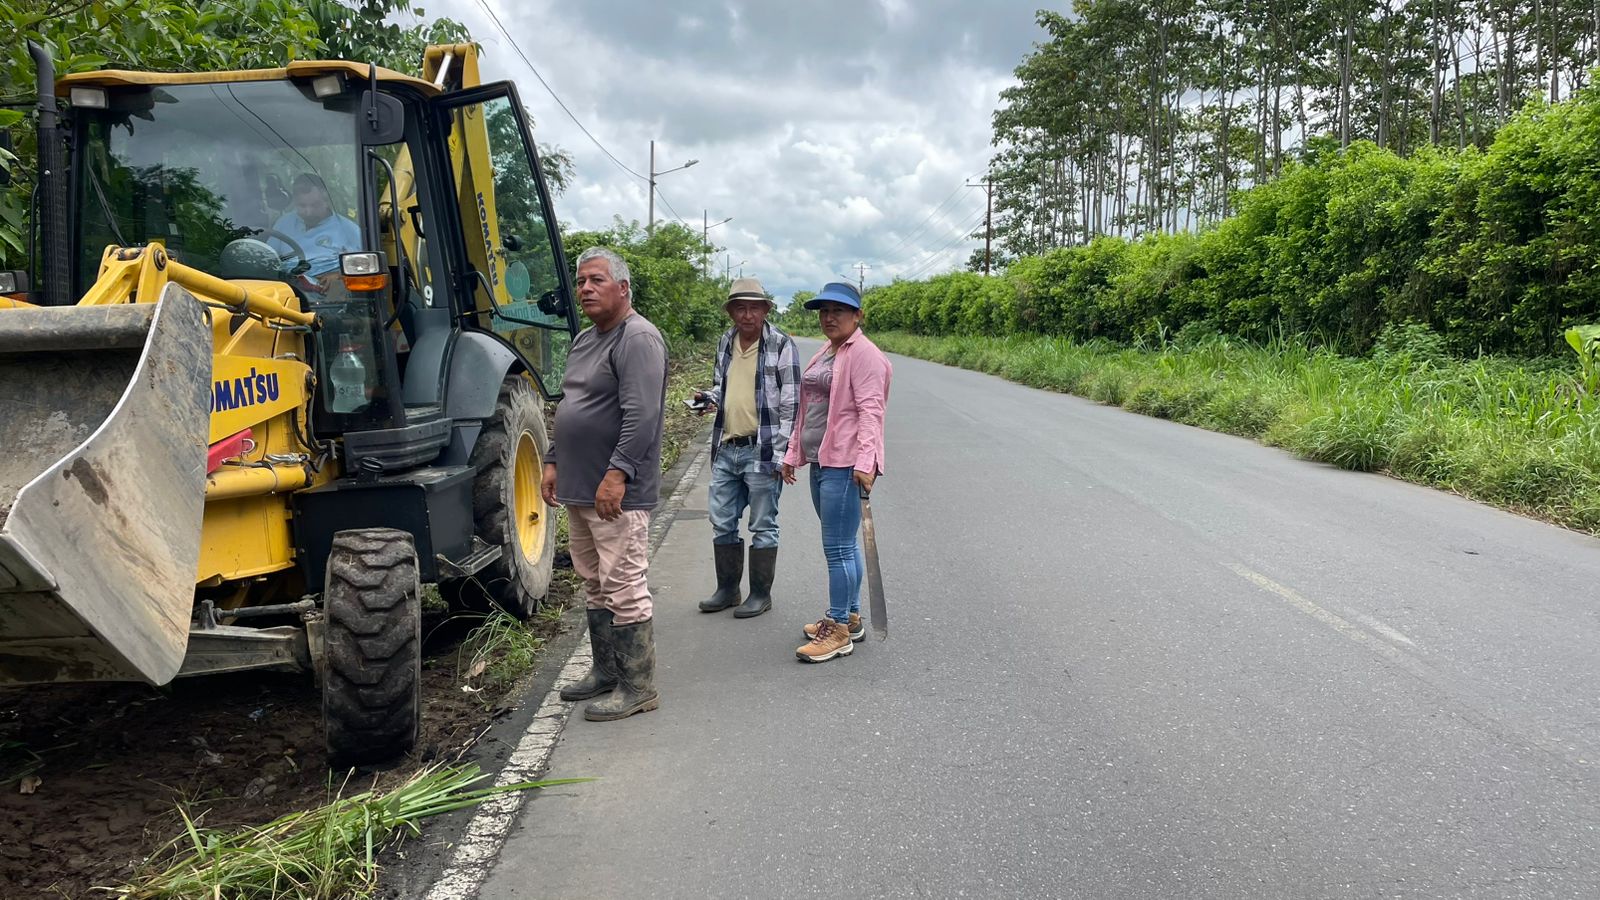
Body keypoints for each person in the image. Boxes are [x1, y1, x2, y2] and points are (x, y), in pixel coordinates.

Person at [542, 247, 669, 720]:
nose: (585, 289)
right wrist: (553, 459)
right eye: (581, 281)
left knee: (623, 584)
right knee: (594, 582)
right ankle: (607, 671)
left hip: (616, 492)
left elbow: (642, 415)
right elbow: (570, 403)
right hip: (580, 486)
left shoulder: (637, 338)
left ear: (623, 287)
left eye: (596, 280)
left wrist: (618, 473)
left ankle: (639, 688)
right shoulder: (585, 339)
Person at [782, 282, 892, 663]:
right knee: (844, 543)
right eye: (824, 311)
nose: (829, 317)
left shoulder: (865, 355)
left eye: (838, 311)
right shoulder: (827, 351)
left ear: (857, 315)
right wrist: (793, 452)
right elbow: (808, 409)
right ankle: (852, 616)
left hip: (845, 464)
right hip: (822, 460)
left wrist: (866, 462)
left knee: (838, 547)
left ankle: (838, 628)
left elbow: (871, 411)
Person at [696, 278, 801, 619]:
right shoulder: (726, 341)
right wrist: (707, 398)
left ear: (765, 310)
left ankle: (760, 594)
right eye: (740, 308)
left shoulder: (781, 344)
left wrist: (782, 455)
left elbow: (791, 404)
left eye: (754, 308)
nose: (747, 315)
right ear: (731, 312)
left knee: (762, 524)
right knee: (722, 521)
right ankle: (728, 590)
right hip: (727, 446)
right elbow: (722, 385)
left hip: (762, 449)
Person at [267, 173, 362, 293]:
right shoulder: (284, 223)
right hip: (286, 288)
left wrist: (339, 275)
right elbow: (268, 258)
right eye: (302, 206)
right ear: (294, 202)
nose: (308, 212)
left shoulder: (348, 230)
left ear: (327, 201)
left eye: (315, 205)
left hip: (328, 292)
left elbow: (365, 266)